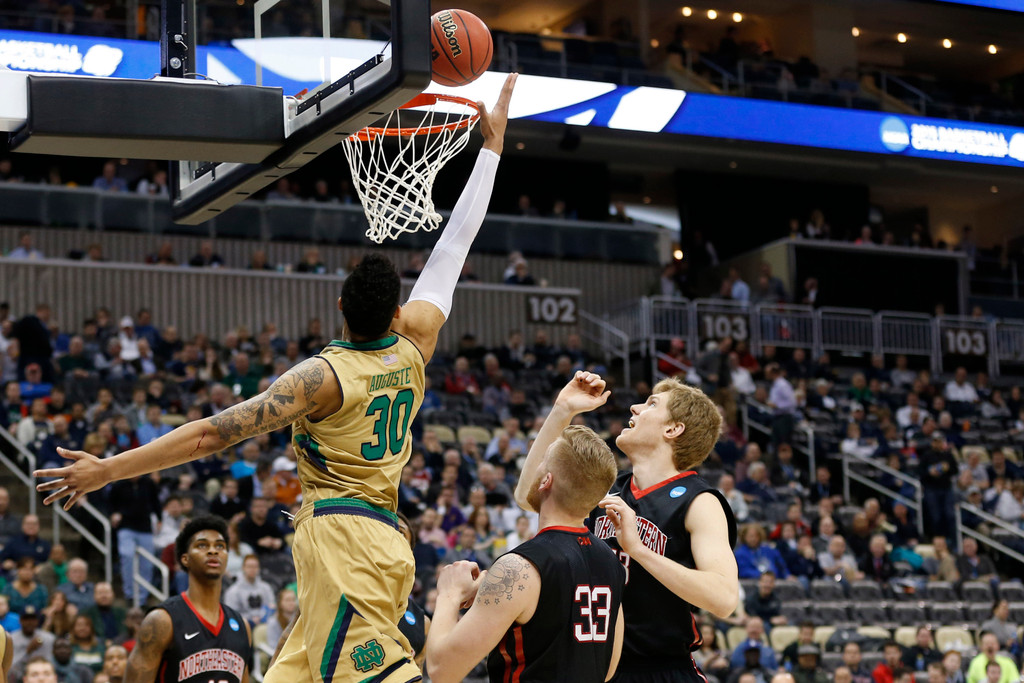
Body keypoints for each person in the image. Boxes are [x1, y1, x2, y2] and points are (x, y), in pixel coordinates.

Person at [38, 74, 518, 683]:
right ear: (396, 313)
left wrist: (108, 469)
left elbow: (211, 434)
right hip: (376, 536)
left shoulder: (320, 378)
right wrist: (491, 148)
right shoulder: (414, 344)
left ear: (340, 308)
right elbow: (453, 247)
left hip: (345, 542)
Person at [426, 399, 624, 683]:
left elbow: (441, 670)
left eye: (541, 461)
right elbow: (608, 668)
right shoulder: (612, 563)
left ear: (545, 481)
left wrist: (449, 593)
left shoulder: (518, 568)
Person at [568, 373, 739, 681]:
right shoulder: (607, 491)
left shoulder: (699, 501)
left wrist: (639, 550)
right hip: (596, 668)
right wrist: (563, 410)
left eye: (651, 404)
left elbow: (724, 598)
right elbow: (531, 495)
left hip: (660, 670)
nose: (634, 407)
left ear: (672, 429)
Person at [124, 515, 252, 683]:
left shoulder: (242, 626)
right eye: (202, 545)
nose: (213, 551)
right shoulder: (162, 621)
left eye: (220, 546)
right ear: (185, 559)